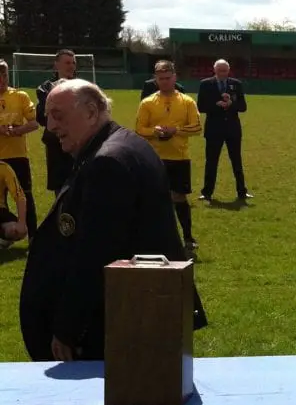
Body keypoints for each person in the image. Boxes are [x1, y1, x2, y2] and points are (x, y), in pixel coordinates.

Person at [20, 79, 207, 363]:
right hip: (135, 316)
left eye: (58, 116)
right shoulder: (121, 145)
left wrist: (68, 329)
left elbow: (95, 256)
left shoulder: (108, 162)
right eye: (47, 117)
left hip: (118, 326)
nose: (51, 127)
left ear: (92, 112)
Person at [135, 60, 202, 255]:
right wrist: (154, 132)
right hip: (154, 158)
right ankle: (153, 238)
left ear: (175, 77)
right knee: (153, 199)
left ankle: (188, 237)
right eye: (160, 78)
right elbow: (139, 129)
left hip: (179, 158)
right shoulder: (147, 103)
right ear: (155, 79)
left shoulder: (187, 101)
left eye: (168, 78)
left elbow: (197, 127)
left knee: (179, 197)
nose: (164, 82)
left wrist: (176, 130)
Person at [197, 59, 252, 202]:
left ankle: (242, 192)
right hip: (214, 129)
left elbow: (243, 107)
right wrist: (217, 105)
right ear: (214, 70)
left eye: (225, 70)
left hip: (233, 129)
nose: (223, 73)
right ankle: (207, 192)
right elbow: (201, 107)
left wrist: (231, 104)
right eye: (220, 70)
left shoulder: (236, 84)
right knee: (211, 162)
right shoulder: (205, 84)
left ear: (229, 70)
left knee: (236, 161)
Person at [0, 59, 40, 238]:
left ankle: (33, 236)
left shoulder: (20, 96)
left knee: (26, 195)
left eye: (4, 75)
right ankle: (6, 235)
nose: (1, 79)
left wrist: (17, 131)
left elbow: (34, 123)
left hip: (17, 156)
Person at [36, 49, 77, 194]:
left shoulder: (83, 87)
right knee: (60, 194)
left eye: (73, 63)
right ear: (56, 65)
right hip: (56, 147)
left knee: (80, 188)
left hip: (78, 145)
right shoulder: (45, 88)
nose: (71, 66)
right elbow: (41, 117)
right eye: (67, 62)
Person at [0, 159, 28, 249]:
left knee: (16, 230)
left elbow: (20, 196)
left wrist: (22, 223)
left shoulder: (4, 168)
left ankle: (3, 240)